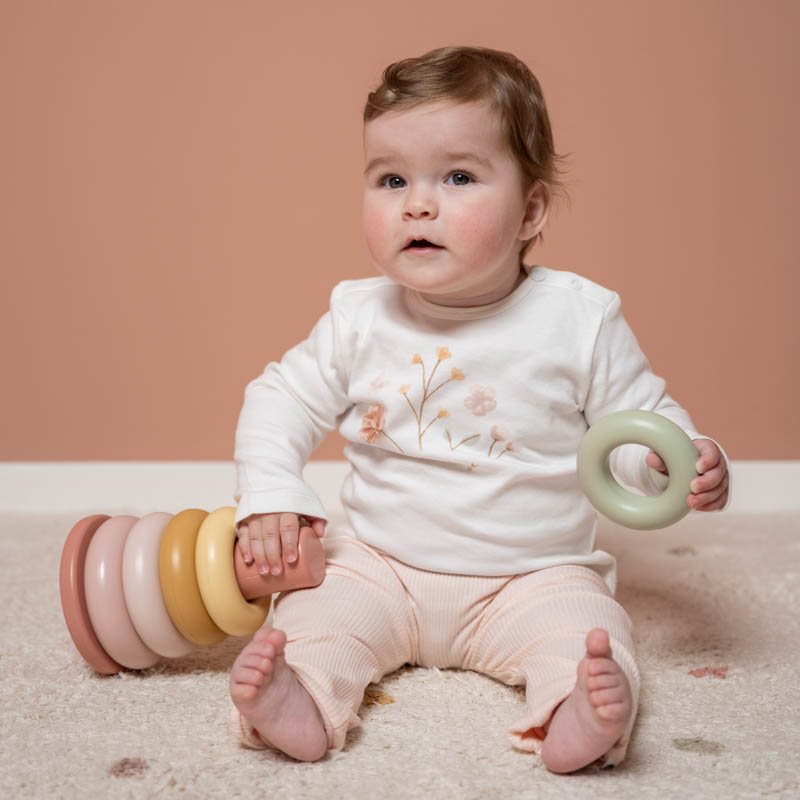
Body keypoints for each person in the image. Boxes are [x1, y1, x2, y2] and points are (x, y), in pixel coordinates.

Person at [227, 45, 730, 772]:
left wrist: (674, 462)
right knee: (313, 615)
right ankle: (297, 698)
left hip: (528, 577)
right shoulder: (359, 316)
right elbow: (280, 398)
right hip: (381, 566)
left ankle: (577, 713)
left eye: (458, 177)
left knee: (589, 630)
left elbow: (634, 427)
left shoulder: (577, 318)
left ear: (531, 210)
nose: (417, 204)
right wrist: (273, 492)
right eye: (391, 179)